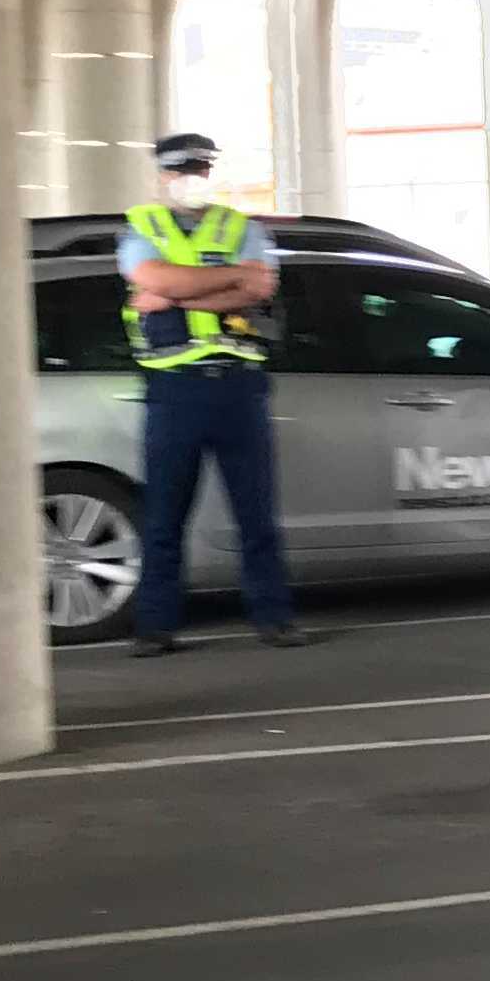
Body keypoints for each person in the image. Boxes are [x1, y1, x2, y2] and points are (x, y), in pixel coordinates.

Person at [119, 133, 301, 654]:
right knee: (164, 517)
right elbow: (149, 276)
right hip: (173, 390)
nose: (192, 177)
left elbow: (259, 288)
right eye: (182, 169)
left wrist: (174, 292)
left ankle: (274, 619)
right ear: (163, 176)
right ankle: (156, 628)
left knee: (257, 515)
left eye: (200, 167)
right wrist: (228, 281)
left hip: (238, 389)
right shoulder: (140, 227)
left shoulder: (241, 226)